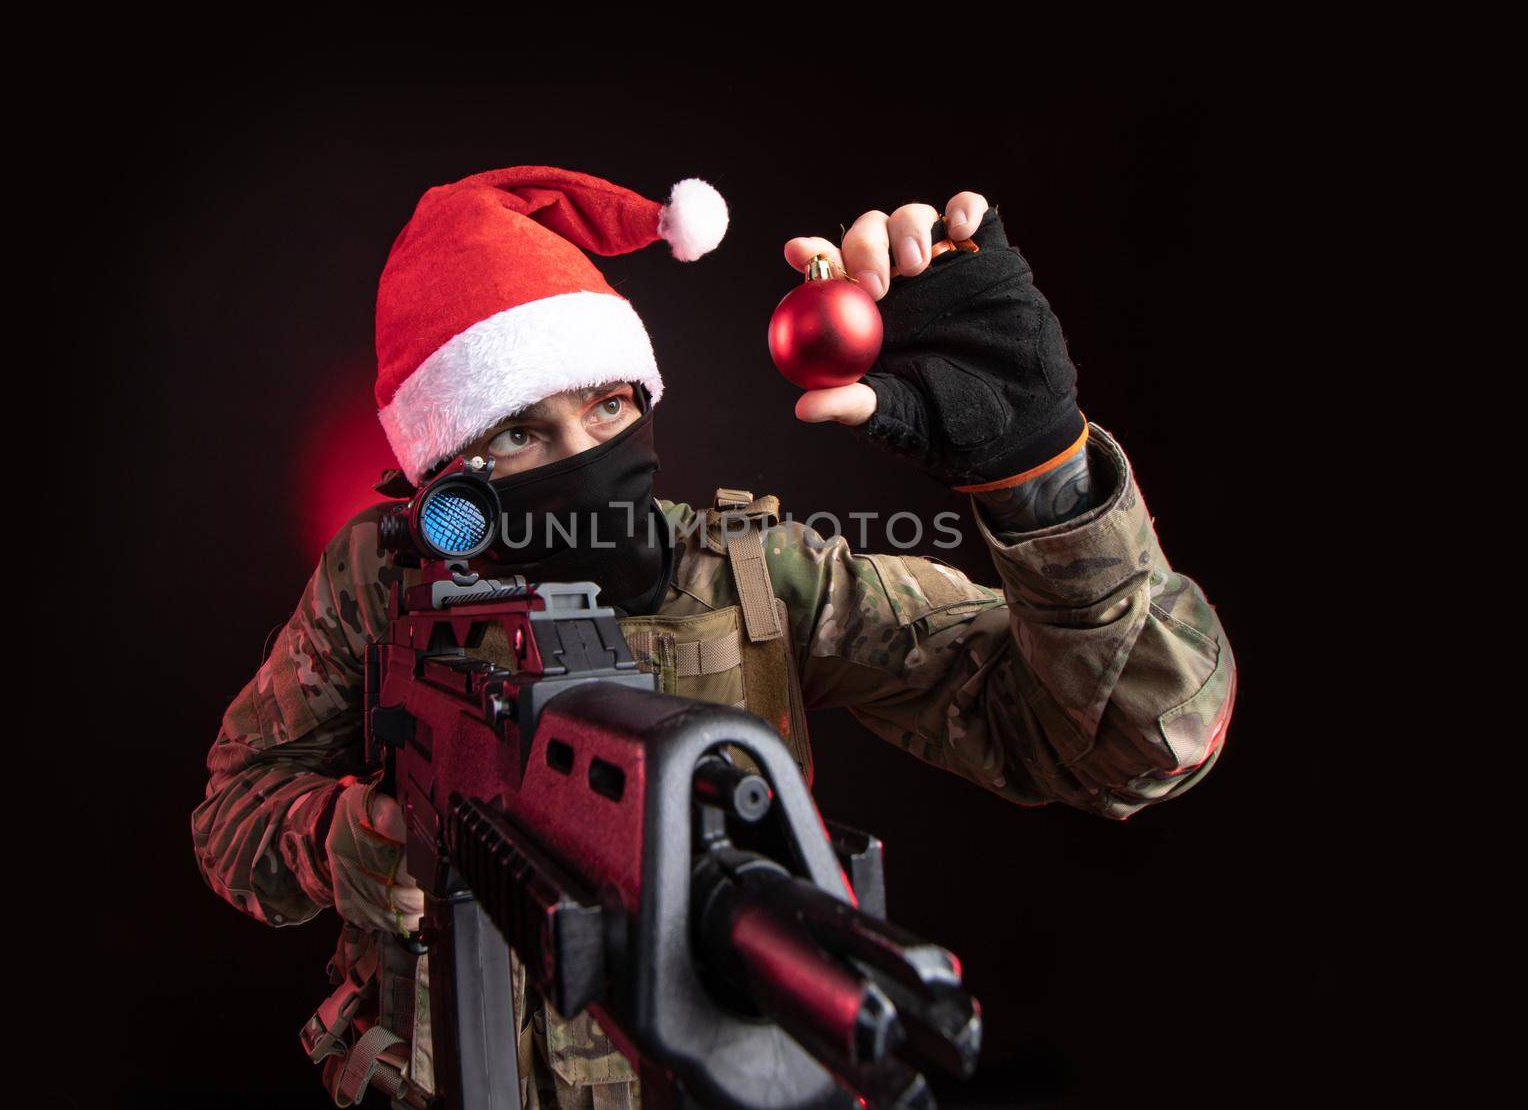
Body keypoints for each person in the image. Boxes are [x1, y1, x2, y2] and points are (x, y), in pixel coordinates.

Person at [192, 165, 1236, 1109]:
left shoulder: (753, 574)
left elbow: (1133, 744)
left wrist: (1040, 477)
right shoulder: (380, 578)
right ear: (441, 476)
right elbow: (230, 811)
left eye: (608, 406)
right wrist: (341, 842)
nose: (584, 457)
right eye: (515, 431)